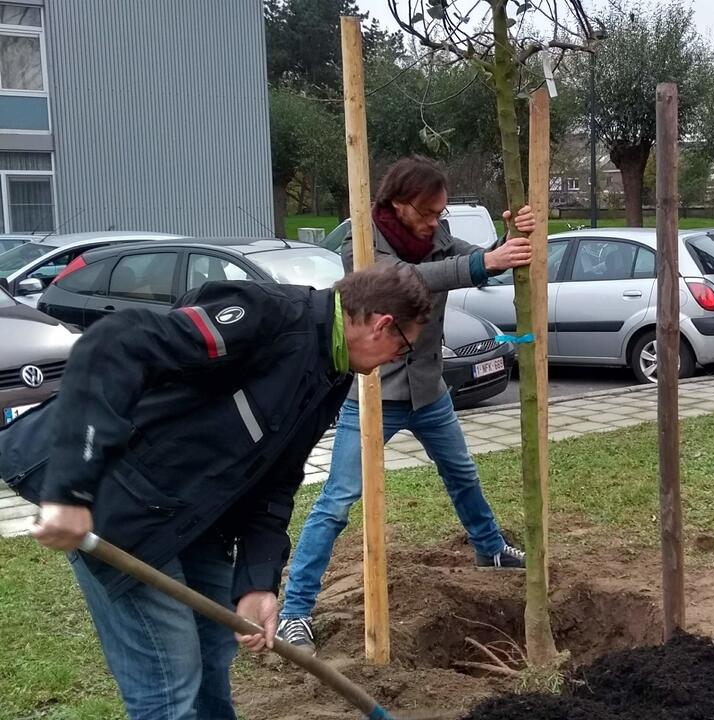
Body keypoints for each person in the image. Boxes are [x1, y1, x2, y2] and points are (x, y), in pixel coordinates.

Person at [1, 263, 433, 720]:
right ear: (382, 324)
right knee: (170, 686)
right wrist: (71, 489)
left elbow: (277, 479)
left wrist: (257, 582)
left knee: (211, 658)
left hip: (194, 515)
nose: (394, 361)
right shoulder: (267, 317)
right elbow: (115, 344)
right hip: (121, 506)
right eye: (403, 348)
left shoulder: (331, 372)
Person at [278, 156, 536, 654]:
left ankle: (490, 550)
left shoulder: (436, 238)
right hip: (376, 392)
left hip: (428, 389)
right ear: (399, 204)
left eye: (442, 213)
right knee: (337, 501)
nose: (437, 222)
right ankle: (294, 612)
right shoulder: (365, 241)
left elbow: (478, 260)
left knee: (461, 472)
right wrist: (484, 262)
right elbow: (405, 280)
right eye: (428, 212)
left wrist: (511, 238)